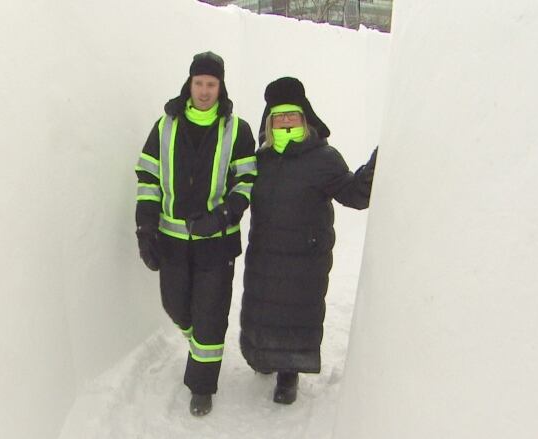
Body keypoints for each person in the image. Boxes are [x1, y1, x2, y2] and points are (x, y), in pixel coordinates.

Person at [240, 77, 377, 405]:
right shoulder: (261, 160)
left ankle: (289, 373)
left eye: (292, 114)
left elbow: (354, 193)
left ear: (305, 118)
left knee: (295, 313)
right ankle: (263, 357)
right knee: (263, 307)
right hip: (265, 254)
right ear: (269, 122)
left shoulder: (323, 158)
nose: (285, 120)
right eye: (279, 115)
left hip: (305, 256)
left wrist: (377, 163)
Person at [134, 52, 257, 416]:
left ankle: (201, 386)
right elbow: (148, 179)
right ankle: (197, 343)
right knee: (175, 305)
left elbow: (247, 181)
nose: (204, 91)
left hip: (217, 245)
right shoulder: (165, 126)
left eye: (211, 84)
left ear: (221, 87)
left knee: (210, 315)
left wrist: (221, 216)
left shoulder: (238, 129)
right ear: (189, 84)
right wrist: (145, 228)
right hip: (172, 242)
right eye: (199, 83)